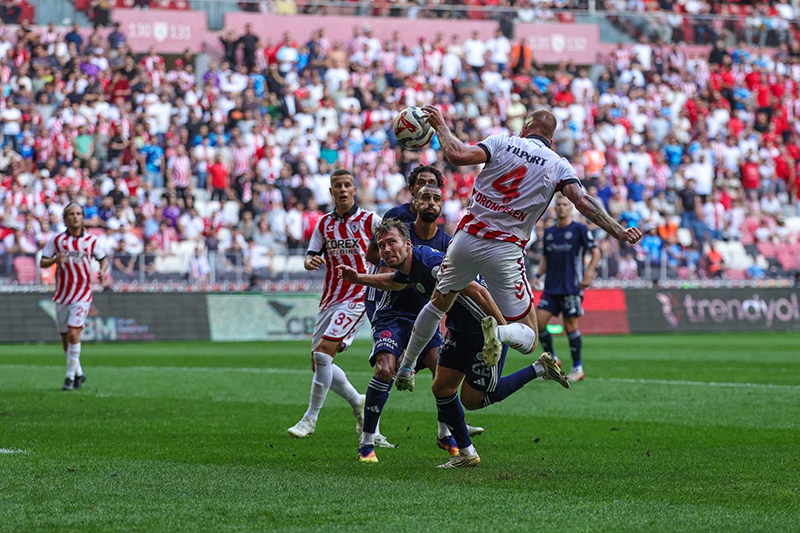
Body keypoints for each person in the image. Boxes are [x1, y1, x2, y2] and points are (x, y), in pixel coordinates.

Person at [394, 107, 642, 389]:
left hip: (466, 240)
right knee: (530, 336)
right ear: (551, 139)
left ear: (525, 129)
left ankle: (407, 366)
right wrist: (618, 231)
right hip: (505, 251)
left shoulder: (502, 141)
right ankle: (498, 334)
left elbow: (457, 155)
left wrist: (440, 126)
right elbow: (582, 201)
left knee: (438, 303)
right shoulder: (558, 165)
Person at [337, 218, 568, 468]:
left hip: (482, 331)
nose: (386, 249)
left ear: (407, 243)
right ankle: (467, 454)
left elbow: (478, 291)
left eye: (391, 242)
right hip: (458, 330)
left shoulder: (431, 264)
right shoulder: (411, 266)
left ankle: (538, 368)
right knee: (442, 387)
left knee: (473, 400)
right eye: (382, 245)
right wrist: (359, 278)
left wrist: (501, 331)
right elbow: (394, 281)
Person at [353, 186, 476, 461]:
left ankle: (445, 433)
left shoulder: (446, 242)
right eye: (424, 196)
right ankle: (367, 441)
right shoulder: (398, 232)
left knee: (442, 371)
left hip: (425, 314)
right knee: (385, 369)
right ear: (415, 201)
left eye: (435, 197)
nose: (430, 202)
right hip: (391, 314)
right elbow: (392, 279)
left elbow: (449, 283)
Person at [287, 170, 381, 439]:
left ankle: (310, 419)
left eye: (347, 185)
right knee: (318, 362)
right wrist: (311, 262)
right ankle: (357, 401)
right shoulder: (324, 224)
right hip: (330, 298)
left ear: (354, 190)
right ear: (331, 192)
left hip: (359, 296)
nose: (342, 189)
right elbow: (310, 257)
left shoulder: (371, 220)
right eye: (337, 186)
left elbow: (391, 249)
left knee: (323, 353)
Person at [39, 203, 109, 391]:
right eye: (71, 214)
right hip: (62, 294)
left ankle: (69, 378)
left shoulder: (91, 241)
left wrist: (102, 271)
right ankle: (78, 372)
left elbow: (103, 259)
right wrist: (55, 260)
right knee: (65, 338)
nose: (75, 217)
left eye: (79, 214)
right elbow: (43, 261)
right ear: (65, 218)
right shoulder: (57, 240)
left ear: (83, 218)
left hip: (82, 294)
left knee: (73, 333)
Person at [534, 195, 601, 382]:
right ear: (555, 209)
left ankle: (577, 368)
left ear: (571, 208)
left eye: (565, 204)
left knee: (570, 326)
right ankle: (553, 360)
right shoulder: (549, 233)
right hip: (551, 287)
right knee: (539, 322)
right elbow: (545, 259)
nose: (562, 207)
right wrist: (537, 276)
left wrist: (589, 273)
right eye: (559, 205)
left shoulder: (579, 229)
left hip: (572, 287)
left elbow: (596, 251)